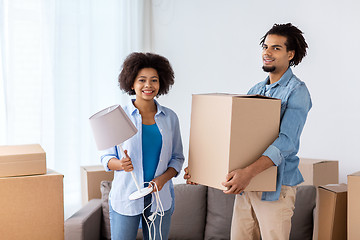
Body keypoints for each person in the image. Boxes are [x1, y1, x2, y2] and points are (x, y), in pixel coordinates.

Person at [184, 23, 312, 240]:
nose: (267, 52)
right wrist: (202, 169)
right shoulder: (255, 91)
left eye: (276, 48)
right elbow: (237, 139)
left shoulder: (297, 92)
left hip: (275, 187)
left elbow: (286, 142)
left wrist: (248, 173)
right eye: (265, 46)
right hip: (249, 185)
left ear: (291, 54)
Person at [101, 52, 184, 240]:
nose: (148, 85)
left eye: (154, 80)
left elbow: (177, 158)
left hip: (159, 199)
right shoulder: (118, 116)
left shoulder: (170, 118)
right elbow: (106, 158)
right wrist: (120, 165)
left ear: (161, 83)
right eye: (142, 80)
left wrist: (163, 179)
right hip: (126, 196)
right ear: (132, 83)